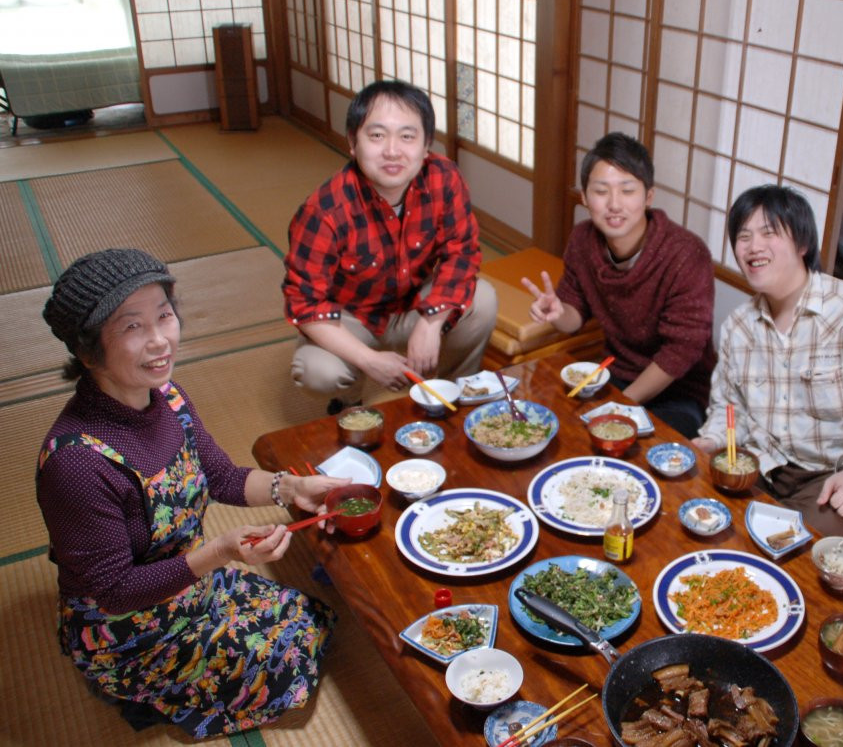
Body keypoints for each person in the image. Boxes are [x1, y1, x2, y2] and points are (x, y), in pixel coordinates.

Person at [38, 248, 349, 737]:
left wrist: (291, 487)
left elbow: (221, 477)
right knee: (286, 668)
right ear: (87, 350)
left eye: (164, 316)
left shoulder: (170, 397)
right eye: (132, 327)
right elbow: (114, 590)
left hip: (191, 587)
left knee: (311, 618)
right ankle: (134, 689)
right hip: (129, 626)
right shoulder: (75, 461)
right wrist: (221, 551)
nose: (160, 340)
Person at [693, 185, 843, 538]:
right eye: (743, 237)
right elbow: (730, 410)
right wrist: (709, 441)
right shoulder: (738, 326)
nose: (753, 246)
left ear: (803, 244)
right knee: (699, 514)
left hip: (830, 476)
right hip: (760, 462)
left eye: (768, 232)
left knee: (792, 549)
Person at [285, 80, 498, 413]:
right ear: (353, 144)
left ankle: (452, 393)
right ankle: (349, 402)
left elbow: (462, 254)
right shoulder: (325, 209)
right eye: (377, 135)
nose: (393, 151)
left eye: (407, 136)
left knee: (482, 299)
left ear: (427, 145)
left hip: (415, 303)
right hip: (352, 317)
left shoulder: (444, 178)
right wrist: (370, 361)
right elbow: (304, 305)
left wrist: (431, 322)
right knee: (317, 371)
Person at [521, 132, 716, 437]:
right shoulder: (583, 240)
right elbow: (574, 316)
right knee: (552, 425)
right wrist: (558, 312)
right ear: (585, 197)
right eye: (601, 191)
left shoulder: (686, 254)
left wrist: (622, 405)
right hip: (615, 375)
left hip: (679, 392)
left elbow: (680, 351)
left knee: (638, 448)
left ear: (648, 197)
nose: (614, 204)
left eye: (627, 190)